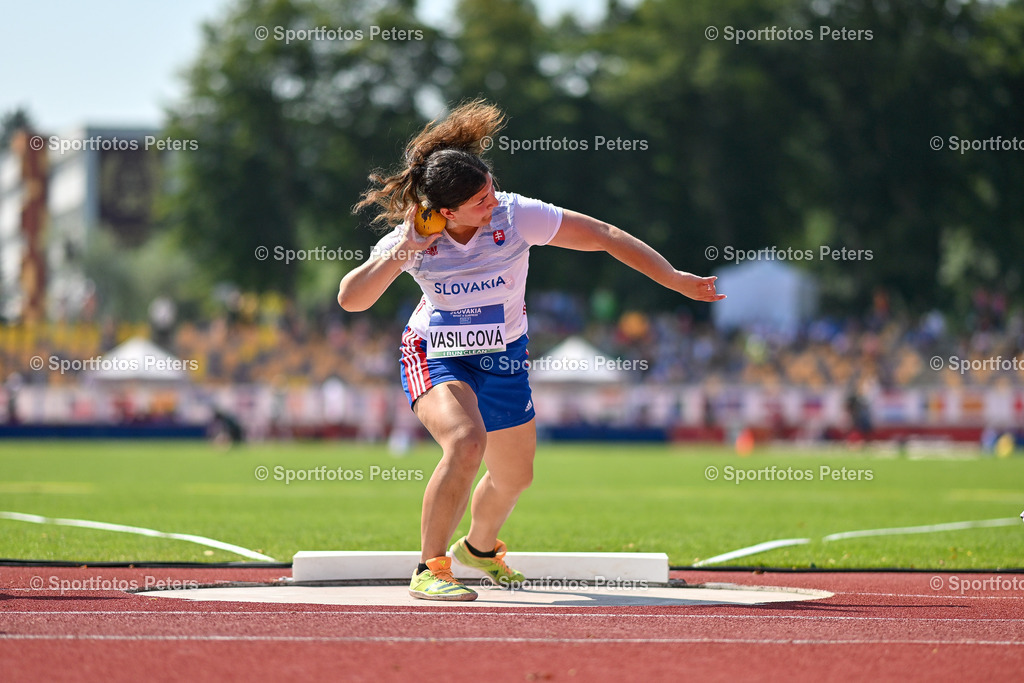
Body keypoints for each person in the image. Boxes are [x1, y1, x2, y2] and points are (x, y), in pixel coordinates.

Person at [338, 100, 725, 601]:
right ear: (446, 211)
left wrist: (673, 279)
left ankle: (478, 550)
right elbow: (352, 299)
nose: (492, 201)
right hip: (437, 351)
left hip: (504, 356)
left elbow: (604, 236)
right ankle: (429, 567)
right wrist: (405, 248)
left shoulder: (517, 216)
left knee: (515, 477)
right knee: (465, 442)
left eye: (491, 187)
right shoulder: (413, 238)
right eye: (480, 199)